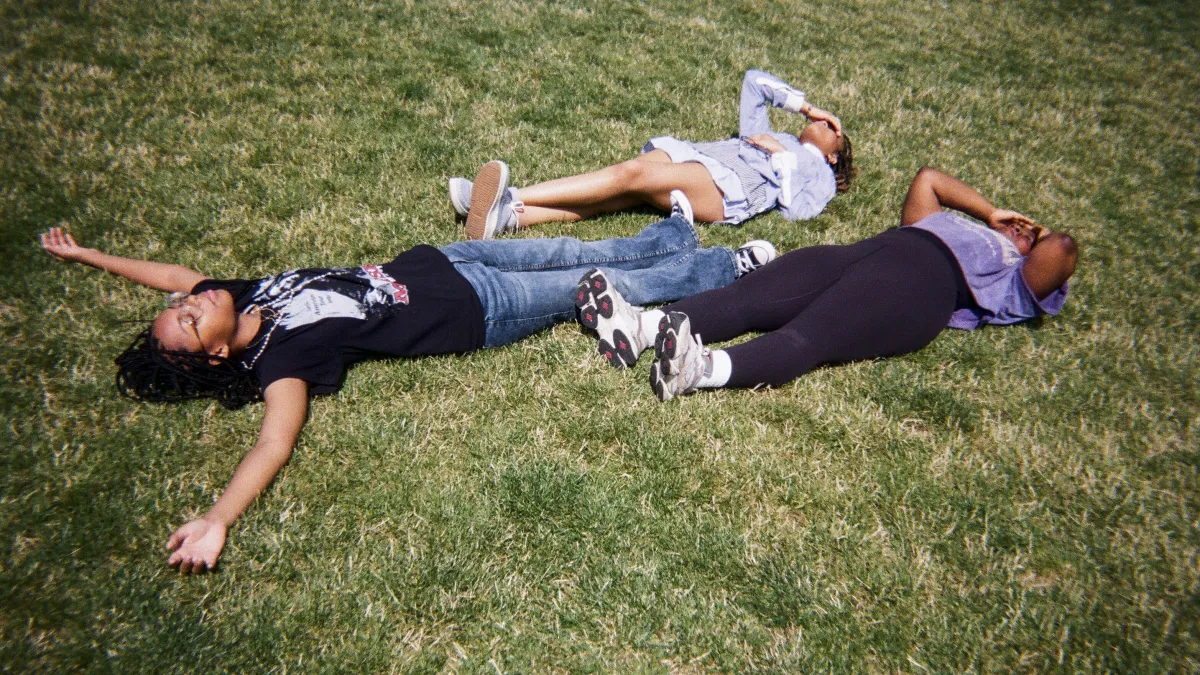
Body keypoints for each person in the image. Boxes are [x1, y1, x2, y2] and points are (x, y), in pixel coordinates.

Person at [39, 192, 776, 573]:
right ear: (210, 359)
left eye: (182, 307)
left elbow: (171, 273)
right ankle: (724, 268)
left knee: (577, 245)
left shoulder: (244, 291)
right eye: (188, 322)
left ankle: (673, 238)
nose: (191, 302)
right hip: (479, 312)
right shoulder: (279, 364)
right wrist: (219, 517)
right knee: (596, 280)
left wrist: (93, 256)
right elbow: (272, 443)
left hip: (440, 261)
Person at [575, 168, 1078, 401]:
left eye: (1029, 234)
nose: (1022, 230)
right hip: (857, 257)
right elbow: (929, 179)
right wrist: (992, 212)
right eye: (1020, 225)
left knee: (809, 336)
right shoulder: (947, 223)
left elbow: (1064, 249)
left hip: (917, 294)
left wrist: (1029, 239)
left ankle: (697, 370)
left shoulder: (1012, 278)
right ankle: (638, 330)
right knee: (748, 297)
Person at [449, 69, 855, 240]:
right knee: (615, 194)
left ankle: (510, 196)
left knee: (628, 175)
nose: (827, 126)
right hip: (699, 157)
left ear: (835, 156)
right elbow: (754, 82)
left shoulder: (819, 173)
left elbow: (797, 211)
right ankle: (505, 219)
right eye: (828, 120)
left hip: (731, 187)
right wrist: (806, 108)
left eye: (835, 131)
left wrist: (781, 160)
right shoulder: (773, 132)